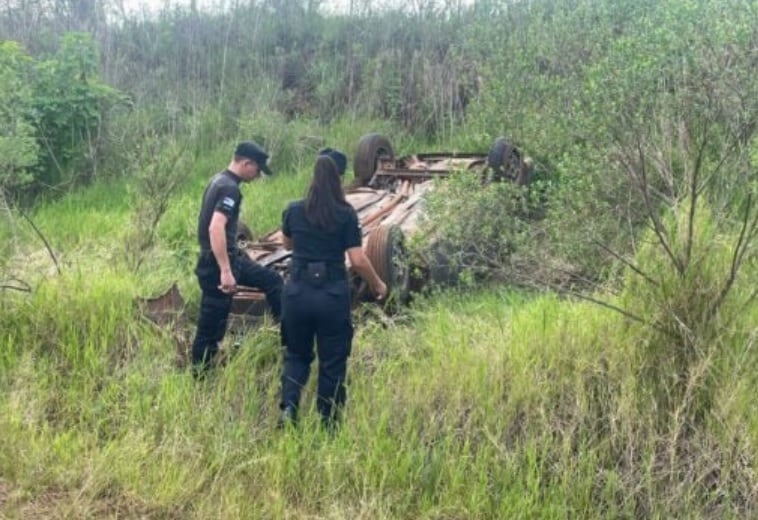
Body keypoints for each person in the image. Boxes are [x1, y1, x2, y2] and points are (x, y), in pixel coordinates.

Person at [278, 149, 387, 429]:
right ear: (339, 180)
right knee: (333, 361)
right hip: (331, 295)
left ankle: (289, 409)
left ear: (313, 178)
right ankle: (328, 424)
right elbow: (357, 259)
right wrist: (377, 283)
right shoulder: (346, 214)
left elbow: (287, 244)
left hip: (298, 293)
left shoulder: (294, 209)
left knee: (296, 355)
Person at [191, 141, 283, 374]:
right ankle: (201, 376)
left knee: (272, 280)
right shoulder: (229, 188)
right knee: (211, 326)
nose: (257, 175)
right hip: (216, 265)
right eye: (257, 169)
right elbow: (215, 228)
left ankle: (286, 335)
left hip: (230, 258)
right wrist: (225, 270)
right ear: (246, 163)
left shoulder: (217, 180)